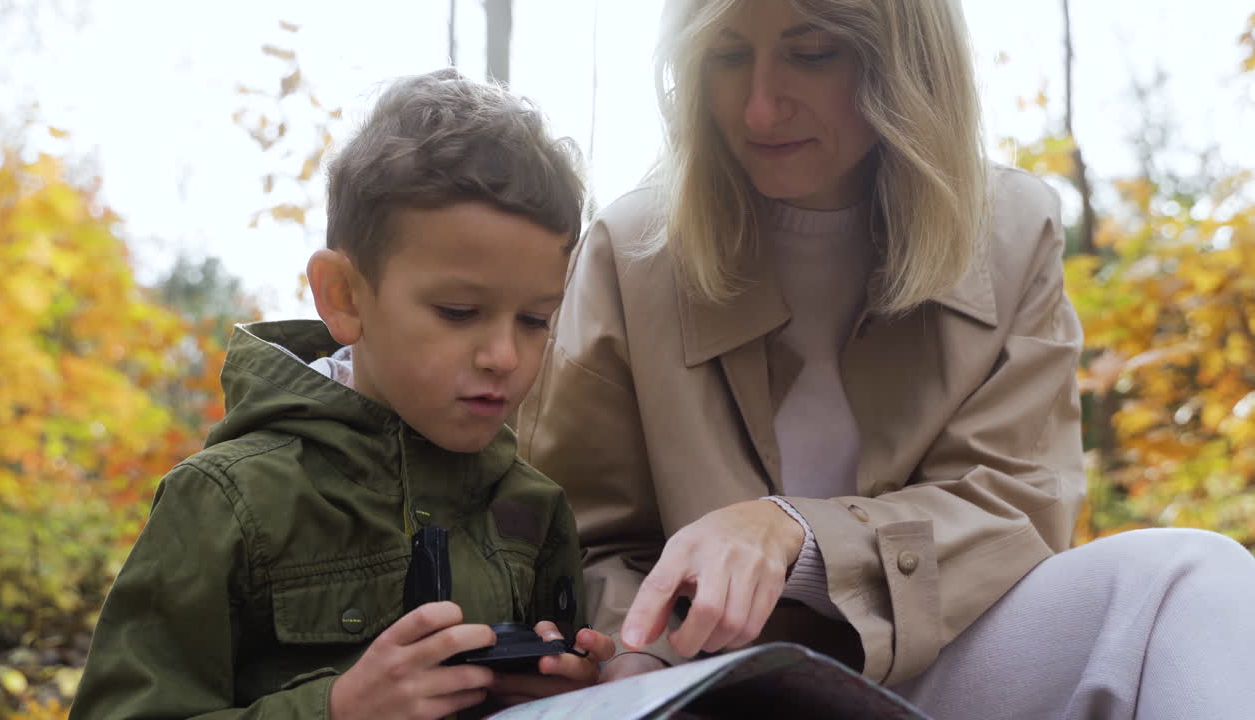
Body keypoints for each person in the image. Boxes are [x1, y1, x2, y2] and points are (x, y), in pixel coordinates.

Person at [516, 0, 1255, 717]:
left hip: (952, 657)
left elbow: (1017, 506)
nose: (760, 108)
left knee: (1198, 580)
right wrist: (634, 656)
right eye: (728, 56)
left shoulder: (1013, 230)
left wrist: (792, 532)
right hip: (706, 680)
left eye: (812, 54)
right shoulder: (634, 247)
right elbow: (589, 533)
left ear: (903, 62)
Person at [69, 68, 615, 720]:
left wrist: (575, 694)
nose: (504, 356)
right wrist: (335, 710)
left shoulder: (533, 507)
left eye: (535, 320)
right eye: (457, 311)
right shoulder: (228, 503)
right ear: (345, 297)